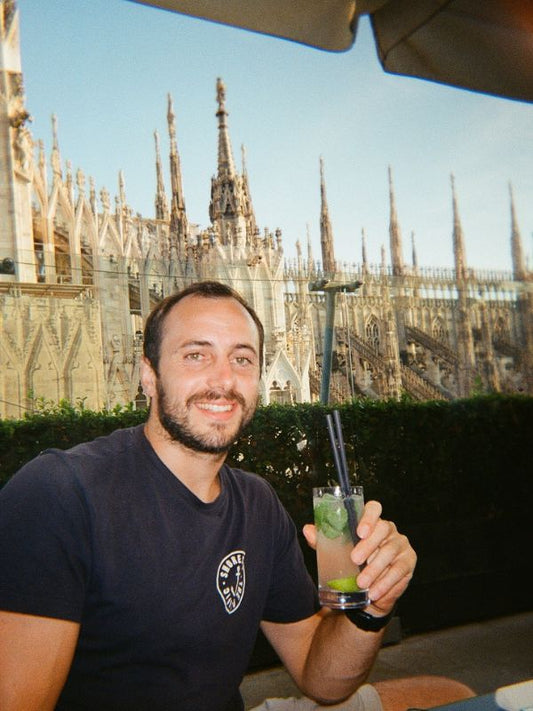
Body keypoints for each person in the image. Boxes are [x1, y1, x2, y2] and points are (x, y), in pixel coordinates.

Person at [0, 281, 473, 711]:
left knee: (448, 695)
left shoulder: (256, 503)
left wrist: (372, 607)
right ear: (148, 374)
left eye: (242, 358)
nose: (223, 380)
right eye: (196, 355)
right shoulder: (60, 492)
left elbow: (322, 678)